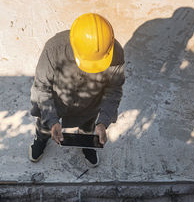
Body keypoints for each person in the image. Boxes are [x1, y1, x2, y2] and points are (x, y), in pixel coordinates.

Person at [29, 13, 125, 167]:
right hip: (57, 101)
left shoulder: (115, 52)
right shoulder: (54, 49)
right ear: (74, 45)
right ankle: (41, 140)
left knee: (88, 126)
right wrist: (53, 121)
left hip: (90, 104)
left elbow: (114, 90)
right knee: (45, 126)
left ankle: (87, 144)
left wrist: (102, 123)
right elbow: (42, 87)